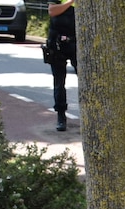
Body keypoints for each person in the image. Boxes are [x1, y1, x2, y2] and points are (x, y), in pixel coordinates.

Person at [47, 0, 77, 132]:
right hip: (57, 43)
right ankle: (61, 116)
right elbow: (52, 11)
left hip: (76, 41)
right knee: (59, 83)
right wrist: (71, 2)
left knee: (87, 81)